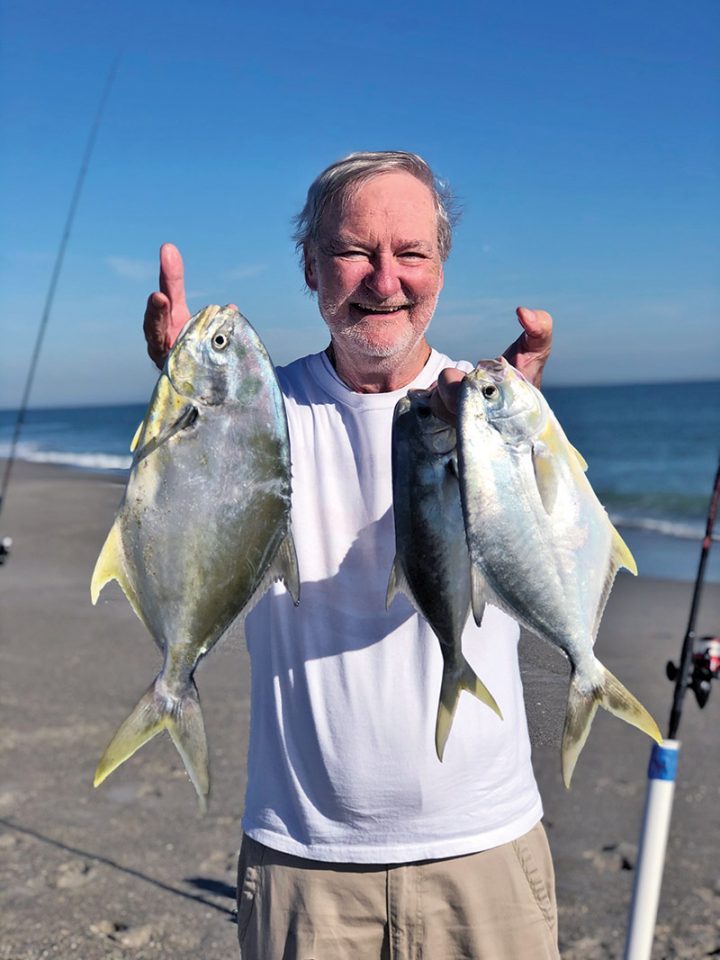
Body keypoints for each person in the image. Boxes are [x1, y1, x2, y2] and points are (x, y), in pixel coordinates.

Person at [144, 151, 556, 960]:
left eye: (411, 253)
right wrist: (185, 391)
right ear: (310, 266)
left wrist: (514, 438)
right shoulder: (260, 408)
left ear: (440, 266)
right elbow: (186, 507)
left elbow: (544, 561)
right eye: (354, 252)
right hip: (304, 864)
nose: (384, 280)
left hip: (488, 853)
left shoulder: (492, 406)